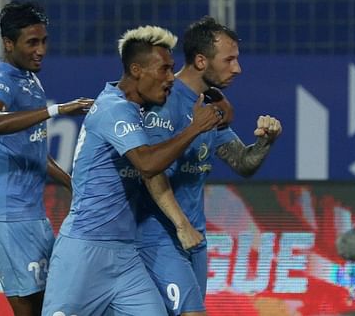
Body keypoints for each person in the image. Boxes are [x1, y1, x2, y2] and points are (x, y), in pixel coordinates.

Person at [41, 25, 224, 316]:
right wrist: (195, 128)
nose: (170, 79)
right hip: (85, 251)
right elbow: (148, 164)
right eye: (164, 70)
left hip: (125, 256)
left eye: (172, 70)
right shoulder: (114, 108)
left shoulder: (138, 112)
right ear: (137, 70)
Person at [136, 16, 283, 316]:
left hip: (194, 240)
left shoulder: (211, 105)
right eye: (229, 60)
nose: (237, 68)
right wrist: (181, 225)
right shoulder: (163, 100)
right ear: (201, 61)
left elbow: (243, 163)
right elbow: (150, 170)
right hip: (158, 237)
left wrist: (266, 141)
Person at [0, 1, 93, 316]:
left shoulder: (30, 80)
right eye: (32, 43)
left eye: (43, 41)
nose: (41, 50)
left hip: (32, 213)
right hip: (7, 214)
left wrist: (72, 183)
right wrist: (58, 109)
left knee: (54, 305)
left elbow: (34, 149)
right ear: (9, 44)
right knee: (33, 310)